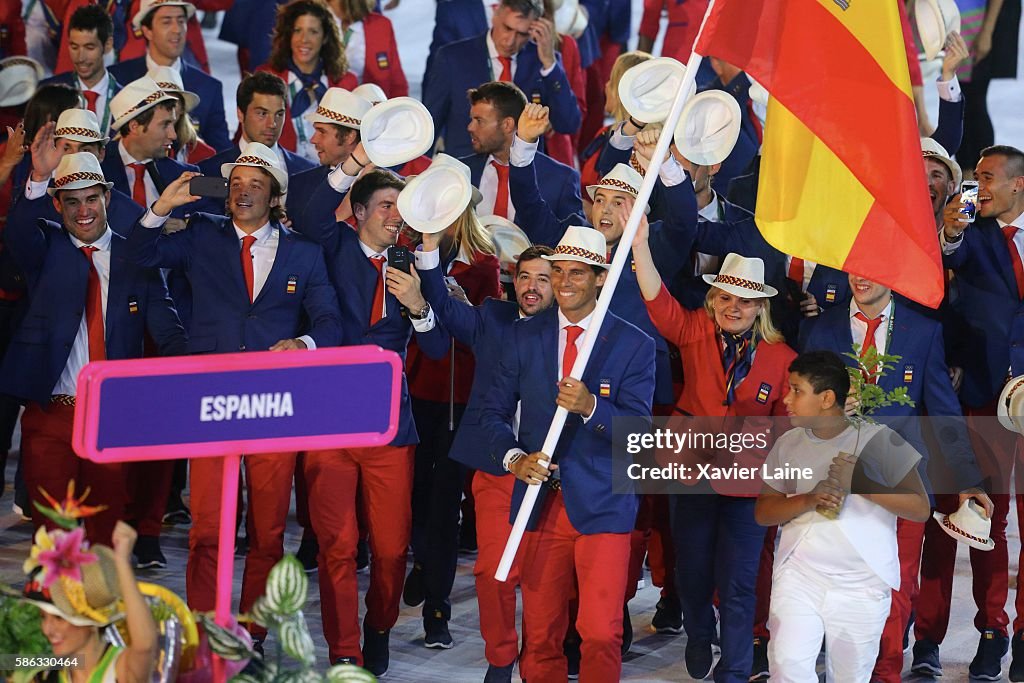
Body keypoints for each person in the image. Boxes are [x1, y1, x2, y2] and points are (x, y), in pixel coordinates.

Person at [125, 142, 343, 652]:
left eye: (255, 184)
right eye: (236, 183)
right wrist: (162, 206)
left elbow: (329, 321)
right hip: (212, 402)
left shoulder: (304, 253)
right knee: (207, 528)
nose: (243, 192)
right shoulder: (201, 235)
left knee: (267, 533)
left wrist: (304, 343)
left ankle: (251, 632)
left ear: (275, 196)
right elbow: (138, 253)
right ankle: (204, 629)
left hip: (273, 405)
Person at [480, 225, 656, 682]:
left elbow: (638, 432)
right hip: (539, 507)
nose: (563, 282)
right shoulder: (522, 336)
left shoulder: (633, 343)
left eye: (576, 272)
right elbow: (492, 415)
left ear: (601, 277)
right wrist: (514, 459)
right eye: (557, 271)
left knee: (599, 633)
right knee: (539, 637)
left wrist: (591, 407)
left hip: (604, 505)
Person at [296, 156, 450, 674]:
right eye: (387, 206)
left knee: (389, 548)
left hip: (389, 425)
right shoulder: (332, 244)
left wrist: (419, 308)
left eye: (401, 210)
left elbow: (437, 350)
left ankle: (379, 624)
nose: (396, 217)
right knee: (336, 546)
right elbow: (311, 211)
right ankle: (343, 646)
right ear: (359, 210)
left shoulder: (414, 264)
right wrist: (356, 161)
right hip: (329, 419)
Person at [799, 273, 993, 683]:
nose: (861, 277)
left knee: (895, 585)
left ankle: (884, 674)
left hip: (903, 480)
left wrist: (968, 479)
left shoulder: (923, 331)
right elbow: (799, 410)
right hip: (838, 482)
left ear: (893, 272)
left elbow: (943, 410)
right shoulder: (823, 327)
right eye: (854, 267)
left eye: (873, 268)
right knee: (845, 585)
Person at [633, 220, 796, 680]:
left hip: (748, 486)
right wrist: (641, 246)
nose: (733, 307)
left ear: (760, 306)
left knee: (740, 583)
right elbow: (657, 303)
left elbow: (786, 433)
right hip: (690, 472)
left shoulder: (782, 359)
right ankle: (701, 632)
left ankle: (738, 666)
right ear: (712, 299)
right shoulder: (693, 331)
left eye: (744, 300)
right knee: (694, 572)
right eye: (725, 297)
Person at [0, 152, 186, 547]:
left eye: (91, 198)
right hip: (54, 413)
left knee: (106, 536)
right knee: (51, 539)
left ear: (107, 197)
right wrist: (38, 174)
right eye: (72, 201)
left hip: (113, 415)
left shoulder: (137, 258)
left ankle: (100, 606)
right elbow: (16, 231)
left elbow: (168, 333)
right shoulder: (45, 249)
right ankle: (50, 607)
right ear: (57, 205)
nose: (83, 211)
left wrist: (200, 371)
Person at [415, 235, 555, 681]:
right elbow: (439, 300)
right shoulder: (492, 316)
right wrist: (431, 246)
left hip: (553, 473)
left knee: (541, 578)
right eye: (524, 277)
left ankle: (538, 659)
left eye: (543, 279)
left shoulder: (575, 329)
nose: (531, 287)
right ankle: (499, 657)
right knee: (492, 573)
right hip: (495, 465)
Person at [754, 350, 930, 682]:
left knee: (850, 676)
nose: (786, 398)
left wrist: (861, 483)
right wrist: (809, 498)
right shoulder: (787, 443)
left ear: (827, 398)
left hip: (862, 587)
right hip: (799, 577)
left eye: (796, 390)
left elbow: (920, 508)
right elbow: (764, 512)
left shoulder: (880, 438)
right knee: (787, 667)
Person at [935, 143, 1024, 678]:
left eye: (988, 177)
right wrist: (949, 229)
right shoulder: (971, 235)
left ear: (1019, 183)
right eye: (975, 176)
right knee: (987, 517)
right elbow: (947, 252)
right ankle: (992, 631)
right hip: (985, 398)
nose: (978, 186)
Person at [402, 186, 501, 649]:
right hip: (415, 388)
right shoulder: (406, 251)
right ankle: (422, 562)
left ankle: (437, 609)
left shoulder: (482, 264)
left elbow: (493, 330)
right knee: (418, 494)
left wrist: (462, 306)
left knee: (445, 501)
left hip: (461, 396)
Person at [423, 0, 582, 158]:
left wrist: (550, 64)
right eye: (507, 28)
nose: (510, 41)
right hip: (465, 174)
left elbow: (568, 123)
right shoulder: (452, 58)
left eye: (522, 34)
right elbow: (429, 124)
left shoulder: (542, 62)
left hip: (523, 175)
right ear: (495, 15)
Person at [21, 519, 159, 683]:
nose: (47, 629)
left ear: (92, 620)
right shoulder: (50, 669)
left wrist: (121, 562)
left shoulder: (118, 669)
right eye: (43, 617)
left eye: (59, 618)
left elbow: (145, 646)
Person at [108, 0, 231, 152]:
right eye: (166, 22)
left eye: (181, 21)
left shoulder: (208, 88)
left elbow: (222, 152)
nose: (177, 29)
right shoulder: (117, 78)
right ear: (147, 30)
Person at [461, 81, 580, 222]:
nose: (470, 127)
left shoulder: (560, 180)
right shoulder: (460, 172)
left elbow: (573, 239)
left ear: (507, 124)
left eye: (479, 120)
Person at [256, 0, 358, 162]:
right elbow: (249, 134)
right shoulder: (266, 77)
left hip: (332, 176)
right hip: (279, 171)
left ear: (325, 37)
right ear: (289, 35)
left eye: (313, 32)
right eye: (298, 31)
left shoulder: (346, 82)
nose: (304, 39)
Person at [101, 77, 198, 215]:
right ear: (134, 127)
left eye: (172, 124)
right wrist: (157, 224)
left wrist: (185, 227)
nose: (173, 135)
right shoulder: (97, 169)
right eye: (165, 125)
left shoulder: (183, 175)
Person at [198, 72, 317, 184]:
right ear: (240, 114)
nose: (272, 124)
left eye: (279, 114)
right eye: (262, 114)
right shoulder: (208, 172)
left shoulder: (309, 172)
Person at [39, 5, 122, 138]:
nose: (80, 57)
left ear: (108, 45)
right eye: (74, 47)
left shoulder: (125, 99)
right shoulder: (48, 94)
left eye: (89, 47)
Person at [325, 0, 408, 98]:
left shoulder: (381, 25)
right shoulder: (312, 22)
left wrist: (400, 110)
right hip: (322, 109)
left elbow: (397, 83)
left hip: (373, 109)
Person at [146, 65, 214, 165]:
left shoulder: (203, 154)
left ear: (182, 108)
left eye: (171, 102)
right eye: (159, 103)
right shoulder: (123, 149)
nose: (166, 108)